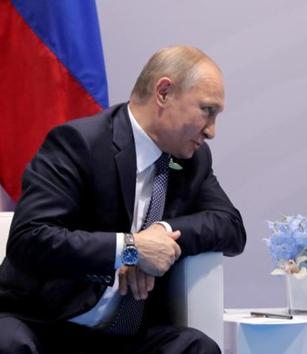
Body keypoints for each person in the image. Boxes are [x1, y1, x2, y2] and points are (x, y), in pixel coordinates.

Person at [0, 45, 247, 353]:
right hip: (45, 326)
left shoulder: (191, 159)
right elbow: (30, 238)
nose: (211, 131)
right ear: (164, 93)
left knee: (197, 348)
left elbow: (231, 227)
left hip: (124, 338)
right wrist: (130, 250)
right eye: (207, 111)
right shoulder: (79, 144)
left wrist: (161, 234)